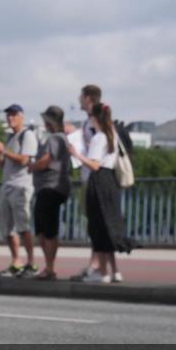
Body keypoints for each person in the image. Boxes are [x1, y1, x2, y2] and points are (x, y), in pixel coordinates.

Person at [67, 103, 134, 283]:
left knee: (98, 227)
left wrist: (77, 154)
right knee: (109, 224)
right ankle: (115, 271)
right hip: (111, 181)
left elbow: (95, 164)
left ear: (94, 118)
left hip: (99, 182)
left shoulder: (99, 137)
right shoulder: (112, 134)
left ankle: (103, 273)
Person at [0, 104, 39, 277]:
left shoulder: (27, 135)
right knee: (7, 228)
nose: (10, 118)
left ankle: (31, 262)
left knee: (23, 226)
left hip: (20, 186)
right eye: (8, 115)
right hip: (7, 185)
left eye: (13, 115)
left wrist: (3, 150)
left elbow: (25, 160)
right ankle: (16, 261)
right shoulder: (11, 137)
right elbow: (5, 164)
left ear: (21, 116)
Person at [66, 85, 106, 281]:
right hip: (88, 176)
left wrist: (78, 153)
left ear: (88, 98)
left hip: (94, 178)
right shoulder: (88, 123)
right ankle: (96, 263)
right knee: (93, 223)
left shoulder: (96, 122)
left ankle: (97, 264)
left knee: (97, 223)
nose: (79, 100)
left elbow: (99, 147)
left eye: (81, 96)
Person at [28, 106, 72, 280]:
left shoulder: (54, 139)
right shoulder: (63, 138)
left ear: (50, 121)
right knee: (45, 228)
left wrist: (32, 166)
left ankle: (49, 267)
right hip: (55, 188)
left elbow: (46, 161)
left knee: (46, 230)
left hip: (50, 187)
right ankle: (49, 266)